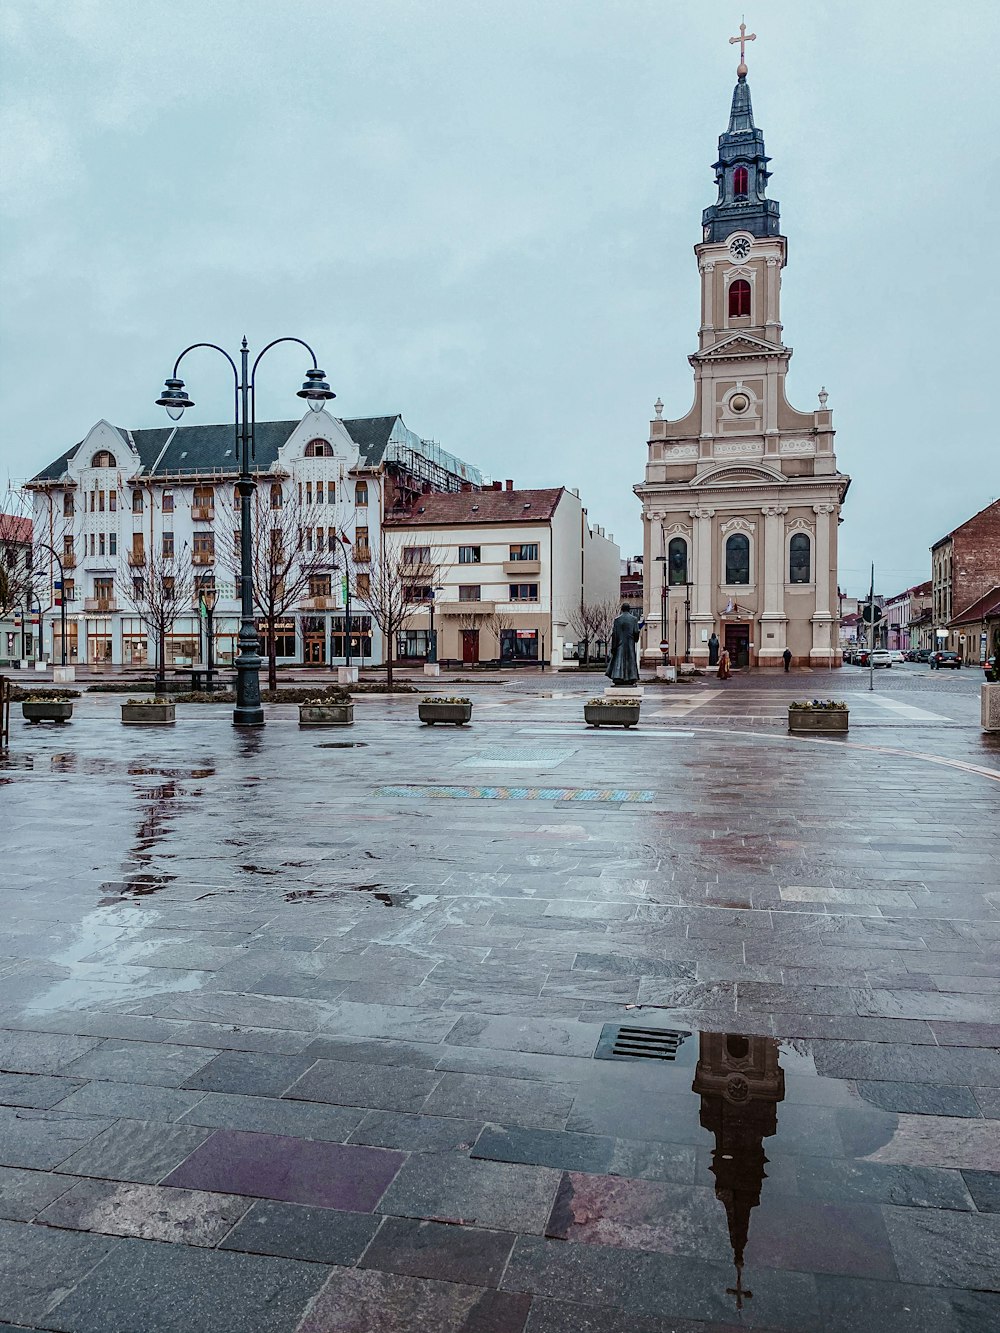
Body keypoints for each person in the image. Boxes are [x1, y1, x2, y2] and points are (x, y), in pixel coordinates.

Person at [605, 604, 644, 686]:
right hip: (630, 643)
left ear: (622, 609)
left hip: (620, 643)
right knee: (630, 660)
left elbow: (614, 634)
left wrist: (613, 647)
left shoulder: (617, 620)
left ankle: (618, 677)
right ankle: (631, 677)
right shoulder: (634, 619)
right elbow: (636, 632)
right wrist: (635, 639)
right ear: (629, 609)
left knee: (619, 660)